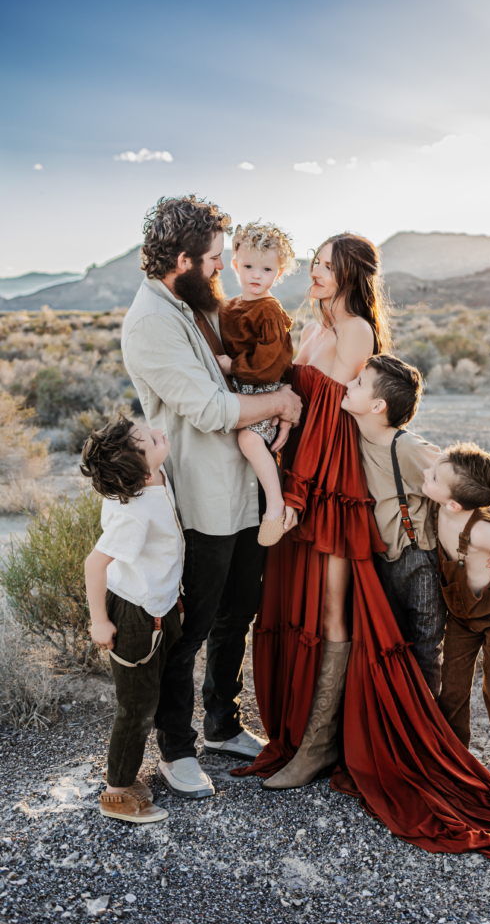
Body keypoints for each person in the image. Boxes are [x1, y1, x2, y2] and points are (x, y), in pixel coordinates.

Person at [233, 233, 490, 879]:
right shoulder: (312, 323)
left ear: (348, 276)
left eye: (323, 265)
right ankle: (295, 735)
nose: (312, 271)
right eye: (310, 262)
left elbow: (348, 418)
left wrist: (309, 487)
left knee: (335, 616)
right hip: (300, 477)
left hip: (331, 484)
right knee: (299, 610)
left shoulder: (357, 329)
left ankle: (316, 750)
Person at [121, 195, 302, 800]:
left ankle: (222, 723)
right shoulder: (152, 320)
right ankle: (176, 747)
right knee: (188, 627)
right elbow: (209, 408)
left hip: (243, 489)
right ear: (182, 260)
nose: (224, 270)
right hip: (202, 498)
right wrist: (277, 404)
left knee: (237, 616)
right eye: (216, 260)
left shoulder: (193, 301)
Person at [342, 354, 490, 706]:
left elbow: (464, 487)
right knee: (392, 642)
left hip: (417, 559)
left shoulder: (404, 446)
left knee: (425, 647)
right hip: (381, 559)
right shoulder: (354, 435)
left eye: (358, 383)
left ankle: (427, 723)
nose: (347, 384)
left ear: (378, 405)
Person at [81, 416, 183, 825]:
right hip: (136, 615)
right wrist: (99, 622)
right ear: (139, 469)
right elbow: (94, 565)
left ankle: (123, 777)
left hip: (159, 604)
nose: (157, 432)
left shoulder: (154, 476)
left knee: (149, 697)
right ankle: (117, 794)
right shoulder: (134, 509)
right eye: (148, 439)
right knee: (137, 707)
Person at [422, 443, 490, 782]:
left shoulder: (481, 530)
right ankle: (455, 748)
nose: (427, 474)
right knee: (453, 683)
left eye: (434, 476)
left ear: (454, 502)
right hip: (462, 614)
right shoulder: (443, 500)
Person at [217, 222, 297, 547]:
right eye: (248, 266)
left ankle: (275, 506)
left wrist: (232, 366)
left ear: (277, 274)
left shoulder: (269, 311)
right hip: (239, 390)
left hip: (261, 389)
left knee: (250, 441)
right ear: (235, 265)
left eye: (266, 269)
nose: (256, 275)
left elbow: (268, 363)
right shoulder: (231, 306)